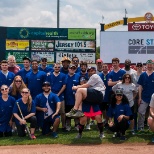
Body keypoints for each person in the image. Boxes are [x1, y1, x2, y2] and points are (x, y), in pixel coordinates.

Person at [46, 63, 67, 131]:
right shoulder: (49, 75)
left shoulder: (63, 75)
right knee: (52, 111)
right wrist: (52, 93)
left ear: (60, 68)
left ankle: (63, 126)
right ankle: (53, 126)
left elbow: (64, 86)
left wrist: (58, 94)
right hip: (51, 95)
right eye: (55, 67)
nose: (57, 68)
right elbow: (47, 85)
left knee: (62, 112)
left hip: (60, 96)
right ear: (53, 68)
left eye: (58, 67)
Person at [137, 59, 154, 131]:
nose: (149, 66)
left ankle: (151, 127)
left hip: (153, 98)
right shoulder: (143, 75)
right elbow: (140, 87)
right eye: (148, 65)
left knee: (152, 113)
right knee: (141, 112)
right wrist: (140, 97)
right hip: (144, 97)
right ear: (146, 65)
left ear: (153, 65)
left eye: (151, 65)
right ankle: (140, 127)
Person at [64, 64, 80, 131]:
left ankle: (76, 125)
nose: (72, 69)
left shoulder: (78, 76)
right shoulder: (65, 76)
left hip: (75, 98)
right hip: (67, 97)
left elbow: (80, 85)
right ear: (68, 69)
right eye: (71, 68)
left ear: (75, 69)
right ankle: (68, 125)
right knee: (67, 113)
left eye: (74, 68)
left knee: (76, 112)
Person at [99, 63, 110, 128]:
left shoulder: (110, 74)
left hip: (108, 95)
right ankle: (101, 122)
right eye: (103, 67)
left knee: (108, 110)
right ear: (102, 68)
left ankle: (107, 122)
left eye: (106, 67)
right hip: (101, 95)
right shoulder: (99, 75)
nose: (105, 68)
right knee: (101, 110)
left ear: (108, 68)